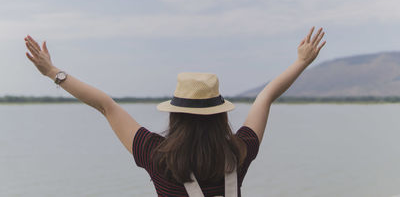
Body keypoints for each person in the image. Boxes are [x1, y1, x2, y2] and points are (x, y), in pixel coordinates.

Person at [24, 26, 325, 197]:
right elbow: (265, 97)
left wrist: (53, 72)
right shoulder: (238, 154)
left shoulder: (157, 156)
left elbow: (106, 106)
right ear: (220, 114)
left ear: (175, 115)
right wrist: (301, 62)